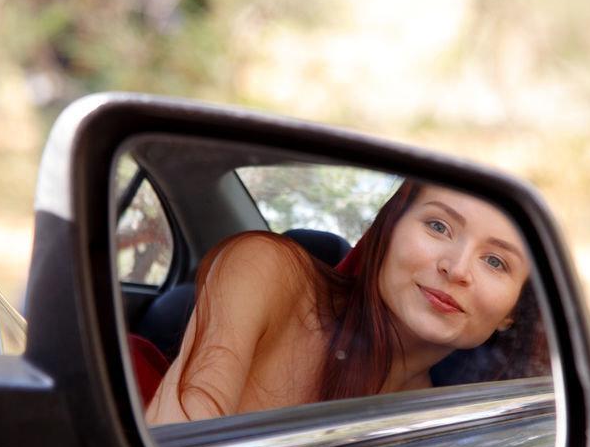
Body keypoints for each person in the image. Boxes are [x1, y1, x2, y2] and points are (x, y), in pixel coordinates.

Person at [145, 179, 549, 425]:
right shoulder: (265, 270)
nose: (457, 268)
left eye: (495, 261)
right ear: (386, 232)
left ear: (513, 312)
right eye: (438, 226)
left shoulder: (443, 419)